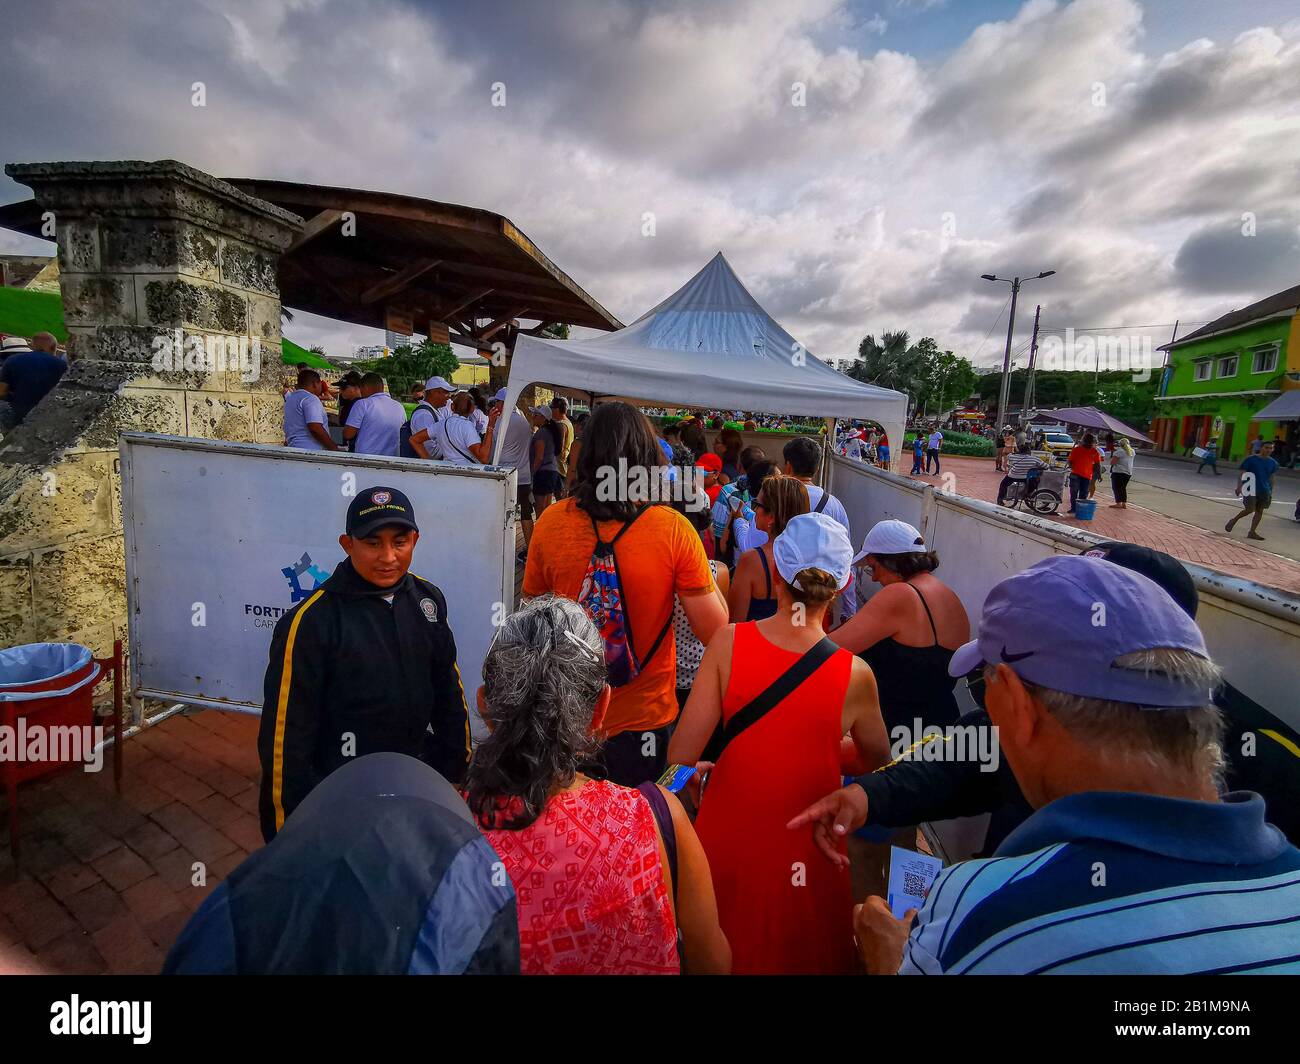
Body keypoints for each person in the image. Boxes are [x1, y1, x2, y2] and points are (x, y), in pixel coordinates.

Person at [820, 555, 1300, 975]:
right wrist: (873, 793)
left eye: (986, 684)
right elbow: (969, 758)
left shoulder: (981, 913)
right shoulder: (1270, 766)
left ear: (1017, 704)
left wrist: (891, 963)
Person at [669, 513, 889, 974]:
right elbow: (876, 759)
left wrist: (689, 783)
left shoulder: (729, 643)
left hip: (726, 836)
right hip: (810, 842)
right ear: (845, 581)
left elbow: (681, 758)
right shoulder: (855, 674)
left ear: (780, 570)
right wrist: (826, 751)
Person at [467, 595, 730, 975]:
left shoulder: (451, 835)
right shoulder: (659, 818)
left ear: (485, 706)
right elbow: (714, 961)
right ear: (601, 709)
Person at [522, 401, 728, 786]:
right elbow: (716, 631)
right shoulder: (672, 529)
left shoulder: (550, 524)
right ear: (647, 461)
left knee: (573, 837)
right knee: (640, 830)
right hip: (646, 723)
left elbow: (533, 624)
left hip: (567, 721)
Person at [165, 753, 518, 974]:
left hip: (408, 825)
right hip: (336, 817)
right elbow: (290, 733)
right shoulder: (310, 629)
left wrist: (452, 756)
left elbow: (443, 680)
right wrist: (285, 837)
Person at [256, 486, 470, 840]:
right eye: (373, 543)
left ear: (415, 540)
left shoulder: (427, 601)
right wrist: (286, 837)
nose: (388, 556)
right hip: (343, 795)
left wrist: (458, 767)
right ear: (347, 544)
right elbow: (285, 742)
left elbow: (447, 689)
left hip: (413, 780)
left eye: (399, 542)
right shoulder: (310, 623)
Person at [728, 475, 809, 622]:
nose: (755, 510)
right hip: (795, 644)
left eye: (757, 504)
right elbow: (801, 622)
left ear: (771, 517)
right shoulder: (811, 559)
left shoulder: (753, 560)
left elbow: (735, 623)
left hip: (756, 644)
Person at [492, 389, 537, 559]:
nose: (495, 405)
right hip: (523, 474)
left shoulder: (501, 422)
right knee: (525, 513)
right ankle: (531, 549)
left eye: (496, 401)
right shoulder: (524, 420)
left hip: (505, 475)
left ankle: (500, 549)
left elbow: (494, 447)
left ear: (503, 402)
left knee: (501, 514)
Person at [710, 444, 766, 564]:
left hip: (734, 563)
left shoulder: (729, 491)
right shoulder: (775, 493)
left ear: (739, 466)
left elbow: (717, 534)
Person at [782, 437, 850, 530]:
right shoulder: (835, 505)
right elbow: (844, 541)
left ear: (788, 467)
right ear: (817, 468)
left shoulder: (776, 498)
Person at [0, 331, 67, 426]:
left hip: (18, 414)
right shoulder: (62, 365)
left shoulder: (12, 360)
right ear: (53, 348)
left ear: (32, 346)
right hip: (49, 415)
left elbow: (1, 392)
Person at [1225, 441, 1278, 541]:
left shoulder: (1273, 463)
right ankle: (1234, 520)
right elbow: (1242, 472)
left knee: (1259, 511)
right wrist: (1239, 486)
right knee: (1249, 509)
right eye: (1266, 447)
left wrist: (1271, 490)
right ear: (1261, 448)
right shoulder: (1251, 459)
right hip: (1250, 488)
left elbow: (1271, 477)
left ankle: (1252, 532)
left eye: (1271, 448)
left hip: (1264, 489)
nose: (1268, 450)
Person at [344, 373, 406, 457]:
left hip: (365, 459)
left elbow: (348, 434)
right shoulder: (399, 406)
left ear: (365, 387)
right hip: (392, 459)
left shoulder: (362, 404)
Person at [430, 391, 498, 465]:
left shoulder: (441, 424)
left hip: (446, 470)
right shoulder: (467, 426)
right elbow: (483, 458)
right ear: (472, 409)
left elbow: (416, 439)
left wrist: (427, 461)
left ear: (452, 406)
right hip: (465, 472)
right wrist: (490, 426)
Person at [282, 368, 339, 451]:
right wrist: (333, 448)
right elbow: (315, 427)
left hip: (292, 447)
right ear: (315, 384)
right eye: (320, 384)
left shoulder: (290, 399)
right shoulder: (311, 399)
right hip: (310, 450)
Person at [406, 376, 454, 460]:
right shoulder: (424, 415)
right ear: (434, 392)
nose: (449, 396)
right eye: (446, 392)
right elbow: (431, 452)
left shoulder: (434, 411)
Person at [528, 405, 563, 514]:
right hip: (551, 472)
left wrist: (531, 474)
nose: (533, 417)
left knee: (540, 510)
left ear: (543, 418)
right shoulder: (549, 432)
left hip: (543, 473)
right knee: (546, 509)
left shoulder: (541, 433)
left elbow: (539, 456)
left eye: (535, 415)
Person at [995, 441, 1046, 506]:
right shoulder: (1034, 459)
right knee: (1035, 482)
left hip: (1012, 476)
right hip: (1025, 478)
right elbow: (1046, 466)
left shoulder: (1013, 456)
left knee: (1003, 484)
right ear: (1029, 451)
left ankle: (1000, 499)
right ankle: (1027, 494)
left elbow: (1007, 456)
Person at [1066, 432, 1103, 514]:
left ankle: (1078, 509)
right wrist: (1073, 468)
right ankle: (1074, 508)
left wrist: (1099, 475)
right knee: (1074, 492)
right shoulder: (1076, 449)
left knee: (1083, 494)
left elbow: (1097, 464)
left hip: (1086, 476)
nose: (1090, 444)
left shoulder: (1094, 452)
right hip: (1076, 474)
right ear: (1084, 441)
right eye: (1088, 442)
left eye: (1091, 443)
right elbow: (1070, 461)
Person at [549, 395, 573, 486]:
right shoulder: (568, 422)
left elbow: (559, 447)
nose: (550, 410)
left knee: (558, 495)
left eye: (552, 408)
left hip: (559, 466)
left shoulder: (561, 425)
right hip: (563, 463)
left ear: (557, 409)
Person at [1106, 433, 1135, 508]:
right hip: (1128, 472)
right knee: (1123, 488)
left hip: (1118, 472)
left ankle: (1118, 503)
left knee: (1116, 487)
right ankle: (1124, 503)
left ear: (1120, 444)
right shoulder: (1132, 451)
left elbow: (1113, 462)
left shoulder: (1120, 452)